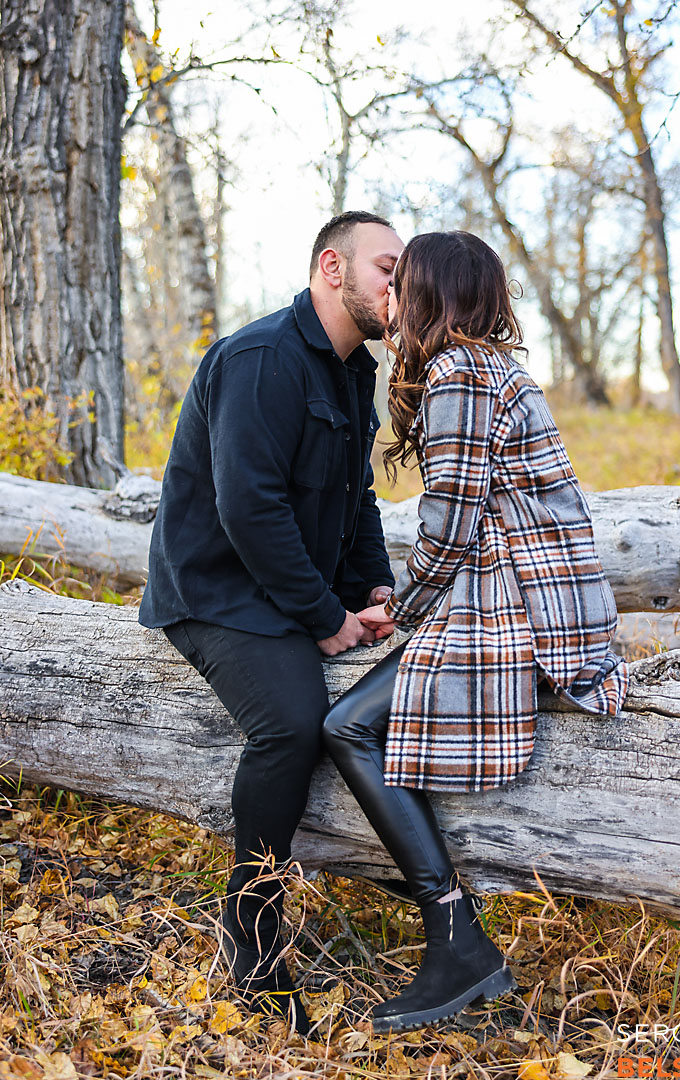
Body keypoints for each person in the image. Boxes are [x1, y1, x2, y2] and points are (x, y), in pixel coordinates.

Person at [322, 230, 629, 1034]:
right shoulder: (490, 367)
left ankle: (456, 938)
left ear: (428, 293)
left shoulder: (459, 373)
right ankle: (449, 928)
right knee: (366, 714)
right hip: (532, 600)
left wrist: (401, 611)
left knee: (347, 725)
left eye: (400, 282)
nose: (388, 295)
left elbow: (452, 527)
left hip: (522, 611)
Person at [138, 210, 405, 1034]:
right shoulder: (261, 358)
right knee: (292, 723)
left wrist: (375, 590)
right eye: (387, 269)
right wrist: (324, 617)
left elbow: (357, 498)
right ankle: (251, 945)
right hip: (215, 591)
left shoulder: (350, 370)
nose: (399, 289)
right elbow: (248, 508)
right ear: (332, 267)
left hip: (285, 587)